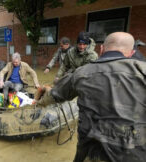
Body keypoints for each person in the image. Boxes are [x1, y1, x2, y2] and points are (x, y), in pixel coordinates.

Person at [50, 32, 146, 162]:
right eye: (80, 43)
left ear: (101, 49)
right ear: (131, 53)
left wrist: (42, 96)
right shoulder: (142, 70)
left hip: (90, 152)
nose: (82, 46)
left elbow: (55, 94)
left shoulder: (83, 71)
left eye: (84, 44)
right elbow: (63, 66)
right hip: (136, 152)